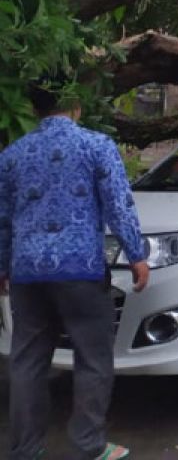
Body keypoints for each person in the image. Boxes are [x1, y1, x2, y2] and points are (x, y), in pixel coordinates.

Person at [1, 82, 151, 460]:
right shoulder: (96, 146)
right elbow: (118, 204)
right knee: (93, 358)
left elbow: (2, 220)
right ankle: (89, 447)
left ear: (34, 109)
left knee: (28, 361)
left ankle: (24, 450)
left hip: (27, 274)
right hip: (80, 270)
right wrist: (136, 254)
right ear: (75, 104)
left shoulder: (12, 156)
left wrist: (2, 266)